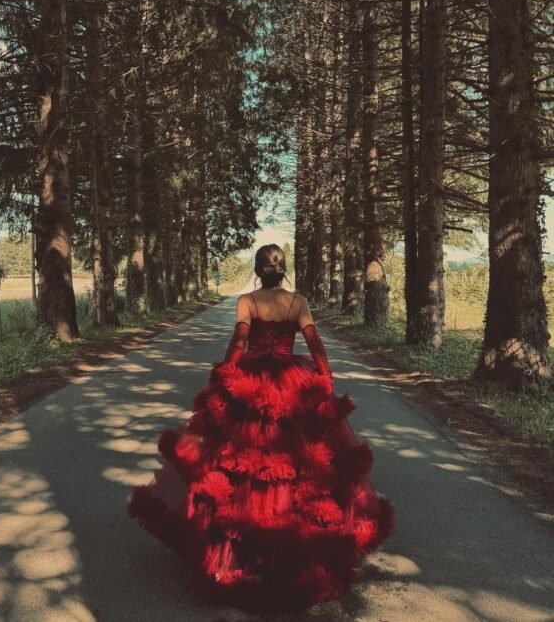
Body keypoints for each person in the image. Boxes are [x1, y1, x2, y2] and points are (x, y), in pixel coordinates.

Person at [127, 243, 395, 613]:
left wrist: (225, 373)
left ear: (258, 269)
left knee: (244, 461)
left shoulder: (248, 301)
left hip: (253, 382)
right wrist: (325, 380)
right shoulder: (297, 301)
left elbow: (238, 342)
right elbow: (316, 345)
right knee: (296, 461)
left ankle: (240, 550)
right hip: (293, 379)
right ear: (283, 270)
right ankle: (294, 546)